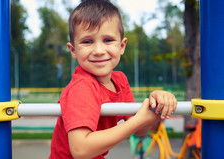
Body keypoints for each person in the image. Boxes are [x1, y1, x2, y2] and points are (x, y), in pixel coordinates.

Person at [49, 0, 177, 158]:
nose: (98, 50)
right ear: (73, 50)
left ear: (122, 46)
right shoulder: (82, 87)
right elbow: (81, 150)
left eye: (108, 40)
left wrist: (154, 105)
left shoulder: (120, 80)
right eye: (87, 42)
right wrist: (139, 121)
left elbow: (140, 130)